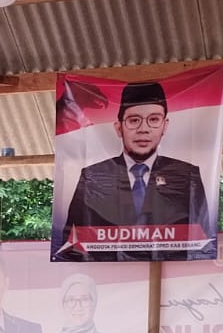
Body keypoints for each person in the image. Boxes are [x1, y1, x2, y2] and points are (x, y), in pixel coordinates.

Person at [60, 80, 210, 260]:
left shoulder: (187, 176)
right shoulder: (93, 176)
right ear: (119, 128)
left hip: (171, 270)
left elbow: (202, 241)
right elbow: (71, 242)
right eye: (134, 120)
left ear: (165, 126)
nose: (143, 129)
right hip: (106, 272)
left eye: (153, 119)